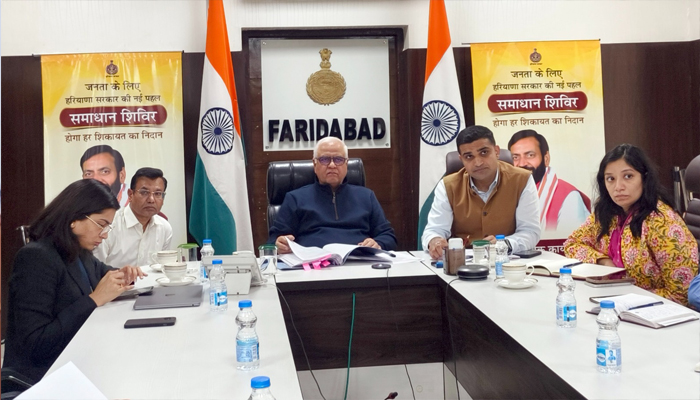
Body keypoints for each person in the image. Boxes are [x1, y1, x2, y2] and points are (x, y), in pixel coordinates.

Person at [4, 179, 146, 382]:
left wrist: (125, 274)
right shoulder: (35, 258)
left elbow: (103, 273)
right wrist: (94, 299)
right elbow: (35, 344)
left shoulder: (77, 250)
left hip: (79, 356)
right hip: (43, 375)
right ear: (74, 218)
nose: (104, 235)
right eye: (101, 225)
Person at [564, 144, 698, 305]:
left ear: (644, 178)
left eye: (628, 176)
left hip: (651, 310)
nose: (618, 187)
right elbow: (572, 244)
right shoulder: (607, 212)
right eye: (610, 179)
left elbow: (681, 294)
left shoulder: (662, 221)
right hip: (611, 300)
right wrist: (603, 261)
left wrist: (627, 300)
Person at [422, 125, 541, 260]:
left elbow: (530, 231)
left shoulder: (522, 180)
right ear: (461, 160)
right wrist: (434, 240)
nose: (478, 163)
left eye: (484, 152)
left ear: (496, 151)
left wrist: (504, 244)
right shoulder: (448, 185)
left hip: (506, 261)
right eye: (469, 156)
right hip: (461, 264)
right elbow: (435, 229)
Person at [268, 137, 397, 254]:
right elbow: (273, 240)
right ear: (314, 164)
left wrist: (378, 243)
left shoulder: (366, 196)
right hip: (314, 266)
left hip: (359, 263)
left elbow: (388, 236)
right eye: (324, 159)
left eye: (338, 159)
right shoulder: (295, 198)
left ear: (346, 164)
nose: (332, 165)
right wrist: (279, 244)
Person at [508, 129, 591, 232]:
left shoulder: (568, 197)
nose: (522, 163)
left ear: (546, 159)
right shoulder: (507, 193)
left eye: (530, 155)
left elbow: (573, 240)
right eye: (515, 157)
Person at [94, 167, 172, 267]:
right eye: (144, 192)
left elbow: (163, 269)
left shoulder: (165, 228)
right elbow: (95, 269)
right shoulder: (109, 225)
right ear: (130, 194)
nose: (151, 200)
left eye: (157, 194)